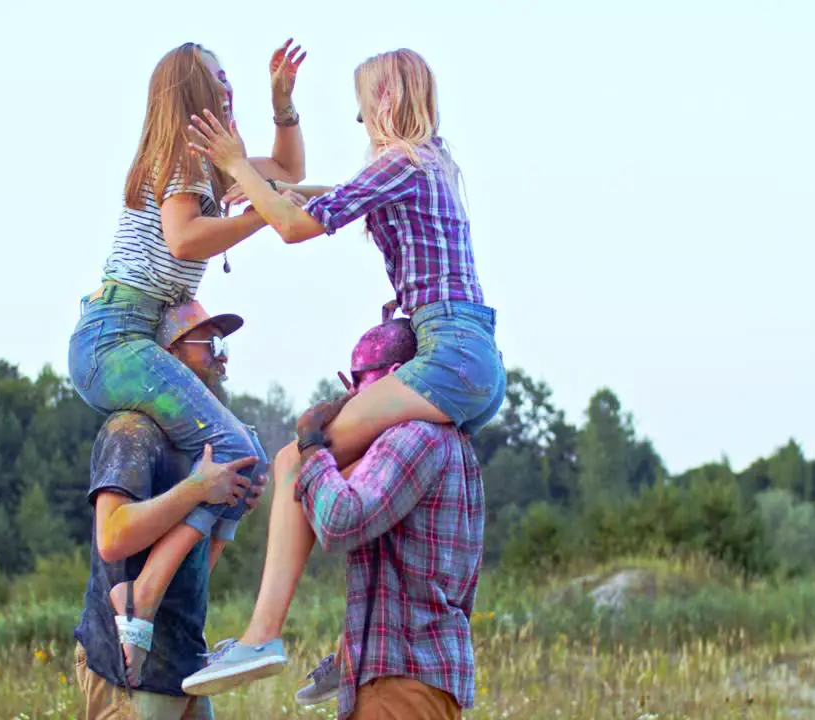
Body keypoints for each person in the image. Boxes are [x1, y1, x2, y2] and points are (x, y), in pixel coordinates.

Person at [182, 47, 505, 684]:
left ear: (383, 100)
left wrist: (232, 164)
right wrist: (259, 160)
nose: (359, 124)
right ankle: (355, 649)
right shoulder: (430, 164)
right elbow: (327, 194)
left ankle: (261, 638)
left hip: (448, 356)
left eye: (361, 109)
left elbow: (296, 227)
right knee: (354, 471)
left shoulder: (400, 162)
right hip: (467, 355)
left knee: (297, 459)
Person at [67, 39, 305, 685]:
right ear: (191, 94)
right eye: (218, 79)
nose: (229, 88)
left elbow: (286, 167)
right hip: (116, 337)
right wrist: (263, 216)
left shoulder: (208, 165)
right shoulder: (178, 158)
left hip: (135, 334)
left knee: (246, 459)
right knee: (233, 448)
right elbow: (184, 237)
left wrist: (283, 105)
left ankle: (168, 598)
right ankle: (140, 598)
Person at [186, 315, 485, 720]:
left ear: (395, 377)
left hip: (401, 678)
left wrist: (310, 446)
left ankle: (261, 637)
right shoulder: (444, 438)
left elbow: (340, 523)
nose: (351, 396)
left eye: (358, 380)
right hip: (410, 674)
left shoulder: (414, 435)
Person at [74, 299, 268, 720]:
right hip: (129, 673)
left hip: (183, 663)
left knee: (255, 455)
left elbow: (196, 571)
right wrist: (198, 489)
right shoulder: (132, 430)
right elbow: (112, 537)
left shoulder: (202, 440)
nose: (221, 358)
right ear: (168, 356)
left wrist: (228, 506)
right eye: (209, 343)